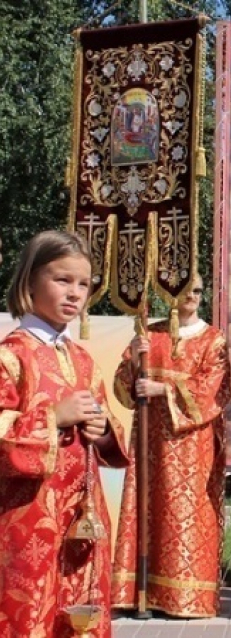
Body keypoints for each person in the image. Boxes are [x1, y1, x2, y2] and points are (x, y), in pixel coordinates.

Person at [0, 230, 128, 637]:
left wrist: (103, 429)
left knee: (80, 609)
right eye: (62, 279)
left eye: (84, 284)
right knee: (29, 612)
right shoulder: (11, 355)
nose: (74, 293)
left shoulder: (83, 360)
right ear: (29, 281)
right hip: (27, 518)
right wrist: (52, 417)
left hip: (82, 517)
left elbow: (110, 426)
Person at [110, 275, 231, 617]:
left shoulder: (214, 339)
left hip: (193, 444)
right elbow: (123, 390)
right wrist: (135, 360)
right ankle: (144, 592)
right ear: (169, 292)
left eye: (196, 290)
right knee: (150, 508)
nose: (191, 296)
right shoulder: (150, 335)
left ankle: (187, 598)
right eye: (184, 290)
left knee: (187, 516)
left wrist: (163, 390)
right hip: (150, 440)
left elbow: (215, 390)